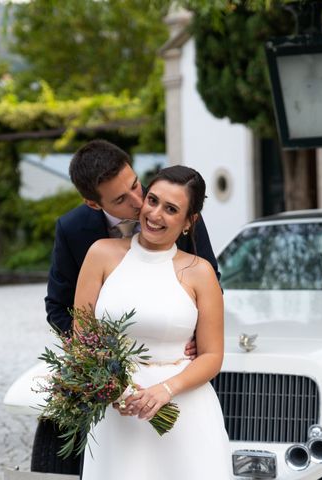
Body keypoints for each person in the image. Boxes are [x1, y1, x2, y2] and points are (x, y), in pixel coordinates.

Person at [39, 139, 220, 474]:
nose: (143, 206)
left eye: (139, 187)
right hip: (116, 400)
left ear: (187, 221)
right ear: (94, 204)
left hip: (182, 388)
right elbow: (62, 310)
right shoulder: (85, 239)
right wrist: (100, 371)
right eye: (123, 199)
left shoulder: (181, 211)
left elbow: (209, 287)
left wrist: (192, 334)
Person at [74, 165, 231, 480]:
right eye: (153, 200)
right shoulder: (101, 255)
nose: (155, 214)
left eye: (171, 209)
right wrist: (113, 389)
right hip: (118, 418)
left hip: (185, 413)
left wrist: (165, 390)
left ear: (189, 222)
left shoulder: (200, 273)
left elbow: (213, 356)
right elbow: (81, 340)